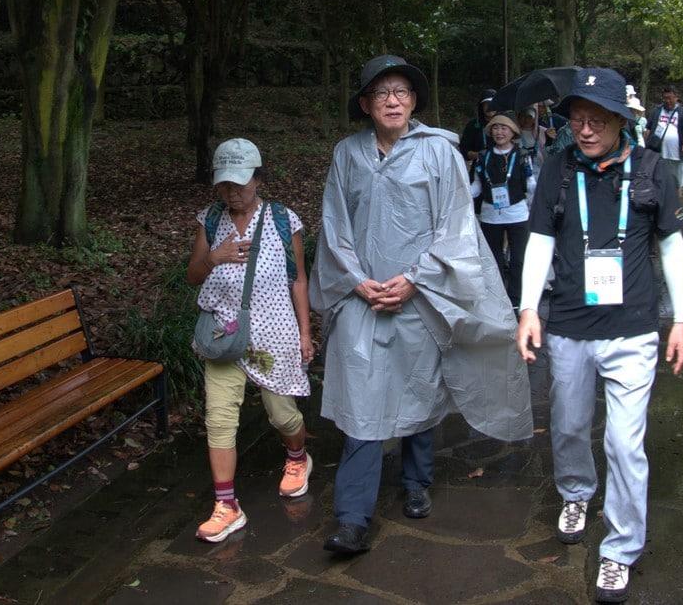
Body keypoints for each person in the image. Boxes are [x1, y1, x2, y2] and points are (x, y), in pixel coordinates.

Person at [313, 55, 533, 554]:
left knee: (418, 389)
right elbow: (334, 225)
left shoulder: (440, 153)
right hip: (361, 296)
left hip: (421, 295)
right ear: (366, 104)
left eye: (402, 92)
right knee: (362, 400)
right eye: (381, 93)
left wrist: (414, 280)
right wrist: (357, 281)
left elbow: (455, 228)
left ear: (414, 101)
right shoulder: (347, 154)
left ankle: (416, 481)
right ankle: (352, 518)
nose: (393, 100)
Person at [514, 68, 683, 603]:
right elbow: (540, 240)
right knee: (568, 427)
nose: (584, 130)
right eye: (577, 120)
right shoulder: (558, 169)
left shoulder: (654, 172)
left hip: (633, 330)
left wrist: (680, 318)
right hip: (568, 326)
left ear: (620, 121)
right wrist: (528, 308)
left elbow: (672, 246)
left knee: (623, 443)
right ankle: (575, 492)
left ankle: (620, 548)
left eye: (596, 121)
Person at [185, 138, 315, 543]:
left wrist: (305, 332)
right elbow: (192, 276)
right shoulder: (209, 219)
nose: (233, 192)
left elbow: (297, 278)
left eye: (241, 183)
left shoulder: (282, 219)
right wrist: (213, 258)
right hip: (224, 335)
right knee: (219, 421)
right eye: (225, 184)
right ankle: (227, 506)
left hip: (274, 334)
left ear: (258, 179)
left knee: (282, 416)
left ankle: (298, 457)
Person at [471, 114, 538, 307]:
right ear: (490, 131)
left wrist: (541, 198)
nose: (499, 132)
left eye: (504, 128)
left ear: (513, 132)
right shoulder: (483, 156)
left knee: (518, 260)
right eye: (495, 128)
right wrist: (460, 192)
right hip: (490, 214)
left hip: (517, 213)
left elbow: (530, 183)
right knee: (493, 261)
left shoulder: (522, 155)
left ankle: (517, 301)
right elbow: (477, 186)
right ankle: (498, 301)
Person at [646, 85, 683, 188]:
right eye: (665, 98)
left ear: (676, 98)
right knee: (659, 181)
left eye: (670, 98)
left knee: (677, 184)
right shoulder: (656, 111)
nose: (667, 101)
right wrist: (646, 146)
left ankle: (677, 203)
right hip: (659, 153)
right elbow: (648, 129)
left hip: (677, 155)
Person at [459, 88, 498, 164]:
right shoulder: (473, 125)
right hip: (479, 168)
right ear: (481, 106)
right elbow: (464, 150)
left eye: (492, 103)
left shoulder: (505, 124)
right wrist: (477, 155)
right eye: (486, 104)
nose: (490, 107)